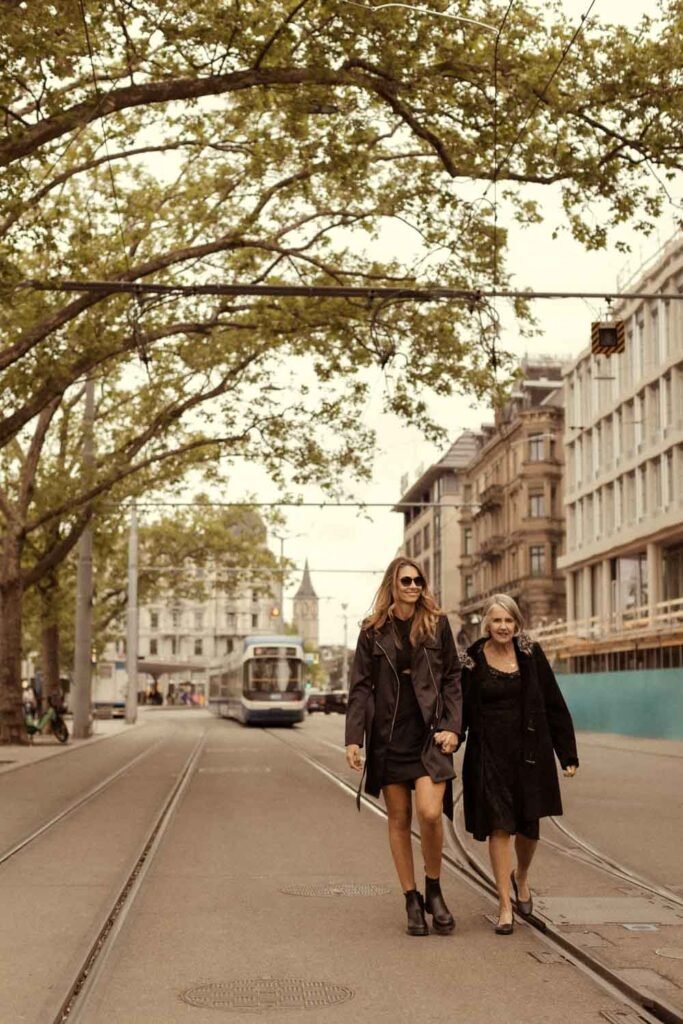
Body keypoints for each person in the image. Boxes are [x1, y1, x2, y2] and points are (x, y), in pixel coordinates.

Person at [345, 557, 462, 937]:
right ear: (392, 585)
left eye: (418, 581)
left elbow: (452, 679)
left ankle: (434, 887)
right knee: (398, 819)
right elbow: (361, 686)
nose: (413, 586)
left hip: (429, 736)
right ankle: (411, 898)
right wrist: (353, 738)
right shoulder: (372, 631)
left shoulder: (437, 624)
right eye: (406, 580)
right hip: (389, 738)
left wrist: (452, 727)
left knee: (429, 813)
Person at [460, 594, 578, 935]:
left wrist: (566, 753)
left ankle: (521, 876)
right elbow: (460, 708)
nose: (503, 627)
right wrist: (450, 736)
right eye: (497, 620)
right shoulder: (471, 660)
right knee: (499, 826)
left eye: (509, 620)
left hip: (529, 754)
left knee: (528, 829)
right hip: (489, 755)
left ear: (517, 624)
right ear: (486, 623)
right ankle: (504, 904)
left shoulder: (530, 654)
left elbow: (554, 703)